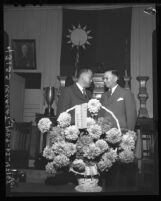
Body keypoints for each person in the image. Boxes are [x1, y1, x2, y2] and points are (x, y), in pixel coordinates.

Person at [99, 70, 138, 189]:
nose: (104, 81)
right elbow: (101, 115)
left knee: (122, 169)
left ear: (116, 78)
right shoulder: (104, 96)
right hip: (106, 137)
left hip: (122, 136)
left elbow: (131, 115)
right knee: (108, 167)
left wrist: (129, 135)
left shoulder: (126, 93)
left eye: (107, 78)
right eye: (104, 78)